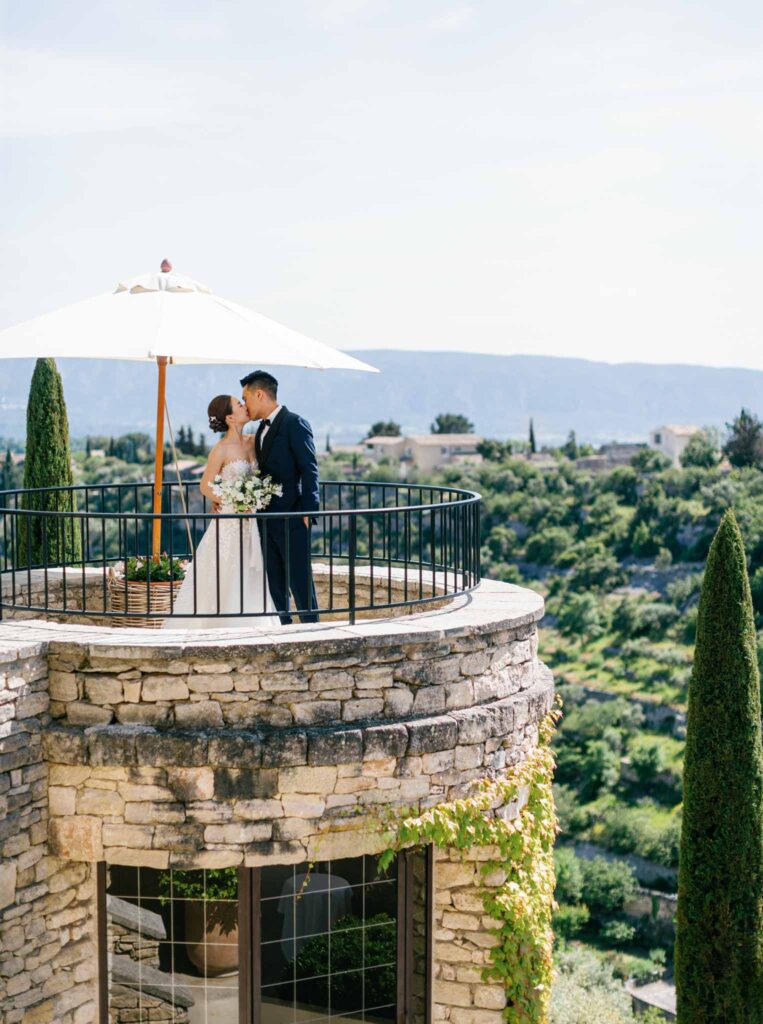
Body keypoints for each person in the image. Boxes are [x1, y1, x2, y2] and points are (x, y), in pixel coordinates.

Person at [164, 394, 279, 629]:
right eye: (239, 405)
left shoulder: (254, 440)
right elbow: (205, 485)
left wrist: (254, 498)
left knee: (252, 572)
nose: (245, 406)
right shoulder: (221, 449)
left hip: (252, 523)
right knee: (226, 573)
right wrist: (234, 502)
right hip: (229, 523)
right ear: (229, 417)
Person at [240, 370, 319, 624]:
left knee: (300, 584)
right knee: (275, 584)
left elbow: (309, 468)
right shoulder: (260, 430)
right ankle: (284, 633)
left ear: (260, 394)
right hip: (266, 519)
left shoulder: (294, 423)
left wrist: (309, 511)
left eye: (246, 397)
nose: (245, 404)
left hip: (293, 518)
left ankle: (313, 634)